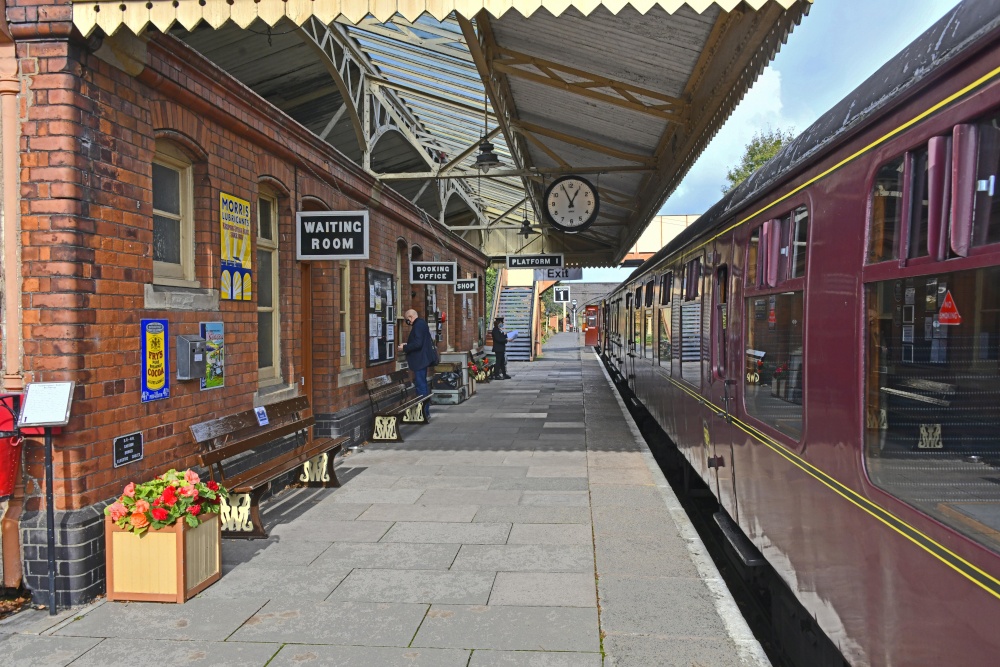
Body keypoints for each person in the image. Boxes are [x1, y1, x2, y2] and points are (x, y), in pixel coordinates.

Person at [397, 309, 435, 422]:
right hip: (422, 360)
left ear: (410, 317)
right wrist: (408, 344)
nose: (407, 322)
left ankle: (423, 413)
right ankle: (425, 412)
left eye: (406, 319)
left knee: (420, 386)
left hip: (420, 361)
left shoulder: (418, 325)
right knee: (422, 384)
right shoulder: (422, 323)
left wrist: (404, 347)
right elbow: (419, 341)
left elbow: (418, 344)